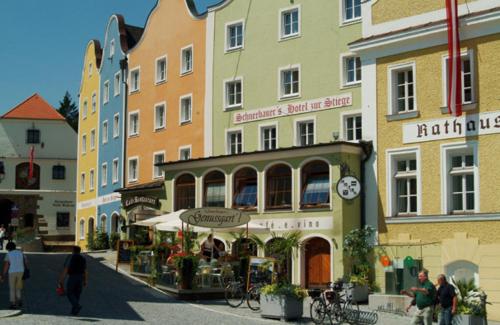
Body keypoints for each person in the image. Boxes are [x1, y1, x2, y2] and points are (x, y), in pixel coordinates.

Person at [59, 246, 87, 316]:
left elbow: (66, 269)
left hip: (73, 277)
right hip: (80, 277)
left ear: (73, 251)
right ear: (79, 251)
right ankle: (74, 311)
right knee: (77, 294)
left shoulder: (70, 257)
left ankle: (77, 306)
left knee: (69, 292)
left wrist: (61, 280)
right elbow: (85, 271)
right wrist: (85, 280)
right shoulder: (83, 258)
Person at [0, 242, 28, 309]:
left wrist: (3, 274)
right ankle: (19, 300)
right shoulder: (21, 253)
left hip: (12, 272)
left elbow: (6, 266)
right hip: (21, 271)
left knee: (12, 288)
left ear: (8, 248)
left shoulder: (8, 254)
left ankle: (13, 304)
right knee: (18, 287)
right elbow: (26, 262)